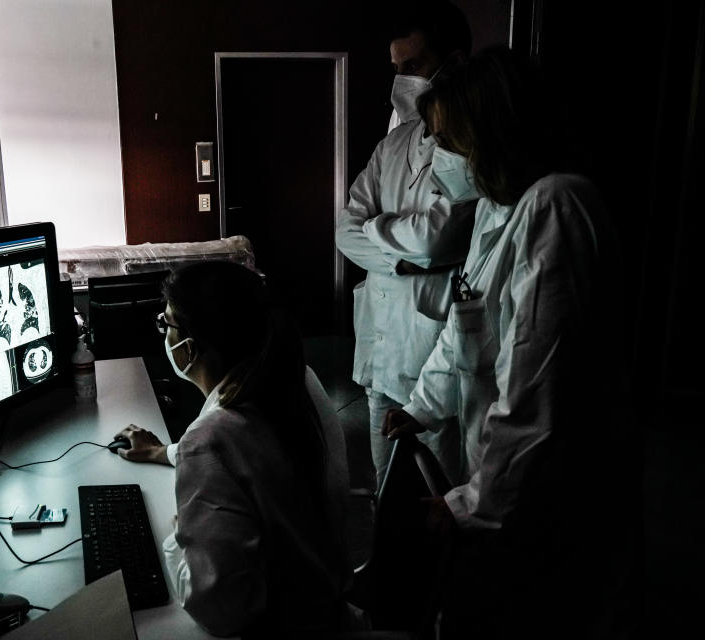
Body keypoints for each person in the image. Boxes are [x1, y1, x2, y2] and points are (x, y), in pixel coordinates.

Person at [385, 46, 635, 638]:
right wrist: (419, 408)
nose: (440, 157)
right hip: (500, 473)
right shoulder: (500, 209)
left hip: (546, 492)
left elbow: (536, 390)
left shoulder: (556, 205)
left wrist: (472, 505)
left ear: (492, 129)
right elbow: (465, 325)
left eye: (449, 140)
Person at [114, 261, 356, 637]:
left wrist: (176, 535)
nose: (162, 331)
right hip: (327, 606)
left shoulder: (211, 439)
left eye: (166, 323)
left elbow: (219, 612)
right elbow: (246, 454)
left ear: (189, 346)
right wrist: (163, 451)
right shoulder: (298, 381)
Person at [335, 0, 474, 491]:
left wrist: (379, 231)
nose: (402, 80)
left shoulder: (470, 145)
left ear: (454, 63)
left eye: (412, 66)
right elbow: (344, 230)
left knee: (443, 494)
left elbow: (438, 237)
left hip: (434, 356)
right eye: (396, 69)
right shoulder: (391, 146)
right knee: (384, 490)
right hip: (381, 350)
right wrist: (405, 257)